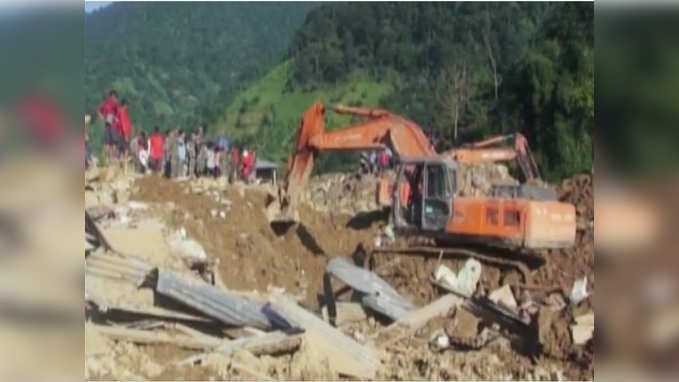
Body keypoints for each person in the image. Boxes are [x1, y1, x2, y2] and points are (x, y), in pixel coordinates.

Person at [97, 90, 119, 163]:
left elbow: (98, 110)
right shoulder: (114, 102)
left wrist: (102, 117)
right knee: (113, 143)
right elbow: (117, 114)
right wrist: (115, 118)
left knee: (107, 143)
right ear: (113, 95)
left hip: (107, 124)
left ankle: (106, 159)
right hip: (113, 125)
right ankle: (111, 159)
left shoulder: (105, 102)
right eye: (115, 96)